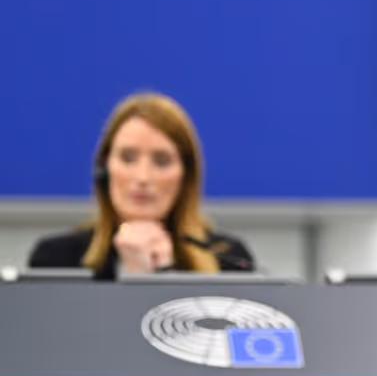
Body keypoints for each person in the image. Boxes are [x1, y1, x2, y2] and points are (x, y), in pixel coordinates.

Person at [29, 93, 254, 279]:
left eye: (162, 161)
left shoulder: (229, 260)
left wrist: (160, 274)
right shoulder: (55, 259)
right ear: (104, 170)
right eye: (128, 158)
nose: (143, 177)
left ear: (186, 176)